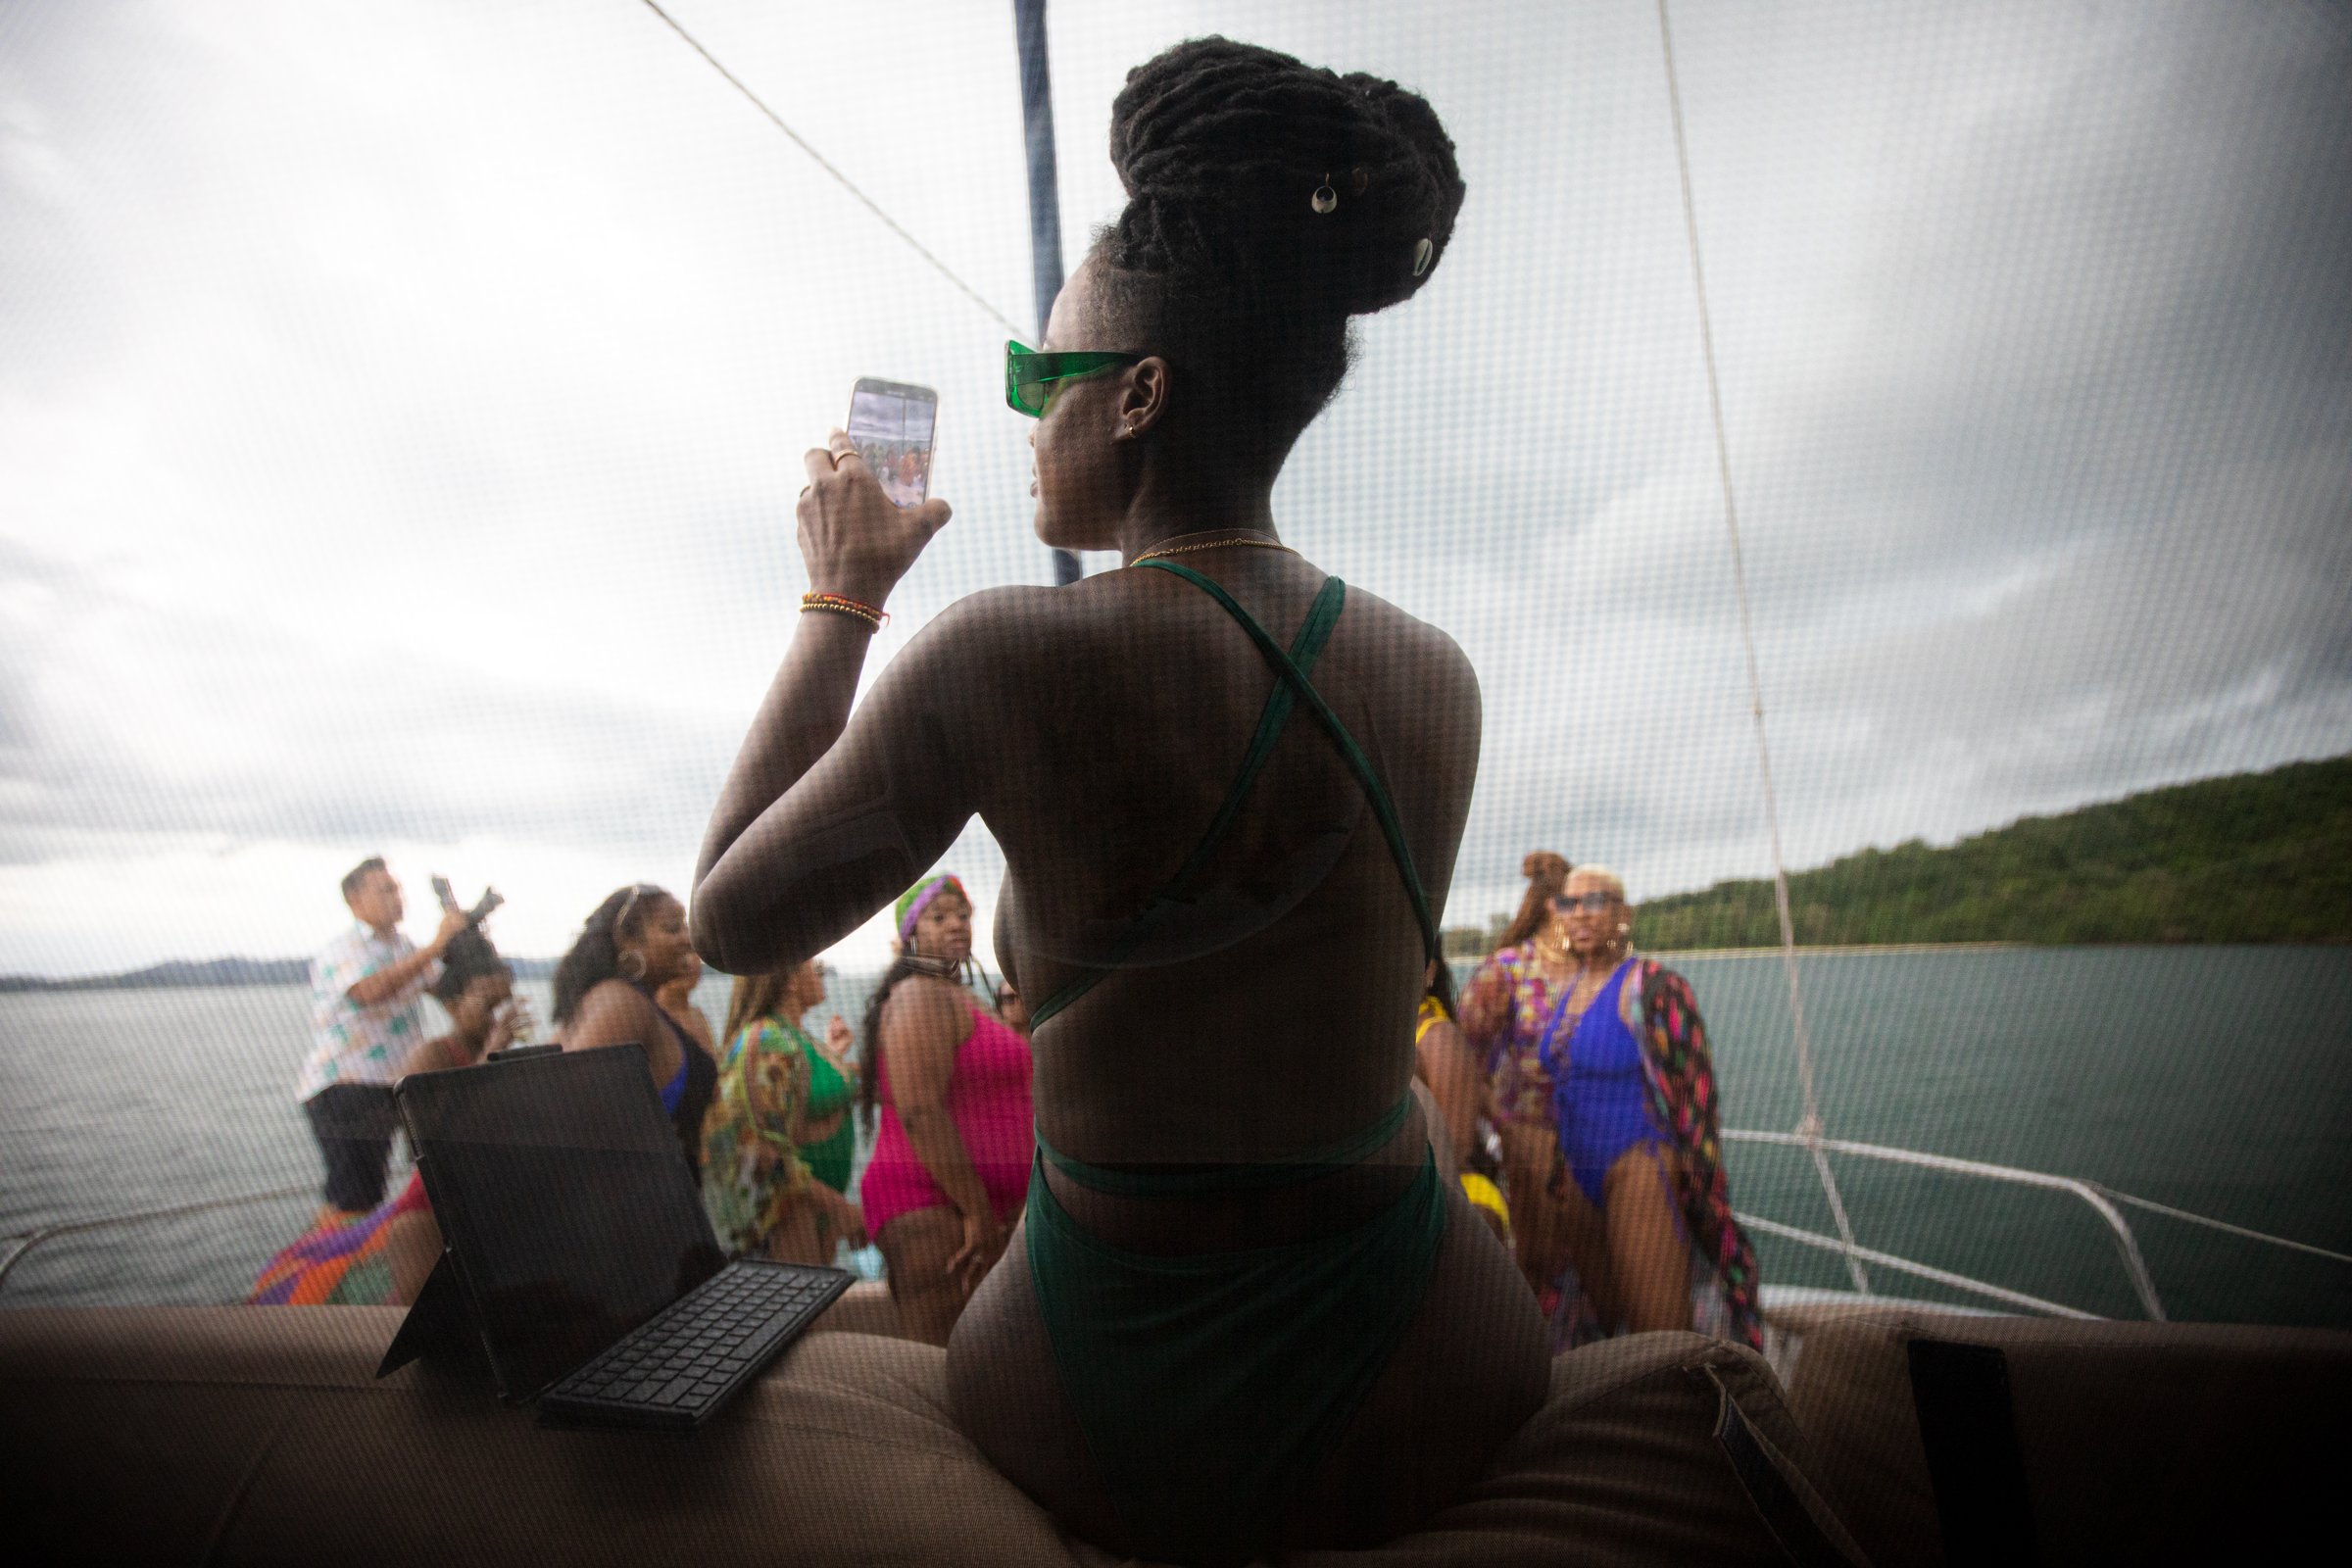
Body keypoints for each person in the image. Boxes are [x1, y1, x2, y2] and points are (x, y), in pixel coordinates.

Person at [689, 38, 1543, 1564]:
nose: (1025, 415)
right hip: (1431, 1348)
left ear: (1139, 394)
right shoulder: (1437, 676)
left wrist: (840, 600)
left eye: (1044, 375)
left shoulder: (1008, 653)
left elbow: (732, 913)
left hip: (1107, 1372)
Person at [1535, 865, 1763, 1349]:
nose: (1579, 914)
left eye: (1594, 901)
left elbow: (1699, 1097)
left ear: (1623, 914)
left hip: (1638, 1165)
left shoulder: (1656, 987)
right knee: (1610, 1320)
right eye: (1567, 904)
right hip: (1578, 1173)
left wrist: (1700, 1188)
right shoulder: (1568, 988)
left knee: (1660, 1337)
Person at [251, 926, 518, 1306]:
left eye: (506, 1004)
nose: (497, 1017)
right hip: (434, 1204)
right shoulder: (433, 1057)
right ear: (452, 1005)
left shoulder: (497, 1053)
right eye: (488, 1005)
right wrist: (489, 1059)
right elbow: (428, 1145)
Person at [853, 876, 1035, 1347]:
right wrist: (977, 1212)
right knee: (942, 1358)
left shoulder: (960, 996)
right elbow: (918, 1111)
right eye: (939, 917)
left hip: (969, 1205)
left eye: (963, 914)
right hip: (933, 1204)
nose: (957, 924)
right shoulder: (918, 995)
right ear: (911, 934)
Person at [295, 857, 470, 1223]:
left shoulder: (405, 948)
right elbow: (370, 990)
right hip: (348, 1085)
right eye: (386, 890)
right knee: (353, 1198)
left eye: (398, 888)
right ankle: (316, 1271)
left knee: (415, 1176)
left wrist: (470, 957)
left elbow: (452, 998)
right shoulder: (344, 949)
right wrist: (437, 944)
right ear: (354, 900)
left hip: (393, 1085)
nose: (397, 897)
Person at [702, 960, 866, 1264]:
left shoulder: (797, 1037)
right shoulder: (767, 1039)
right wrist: (839, 1208)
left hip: (812, 1211)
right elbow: (763, 1151)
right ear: (789, 980)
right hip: (787, 1212)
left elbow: (805, 1096)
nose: (821, 969)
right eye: (813, 965)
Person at [550, 885, 717, 1179]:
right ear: (627, 942)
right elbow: (561, 1104)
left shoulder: (638, 1006)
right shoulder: (621, 1001)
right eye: (672, 928)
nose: (689, 939)